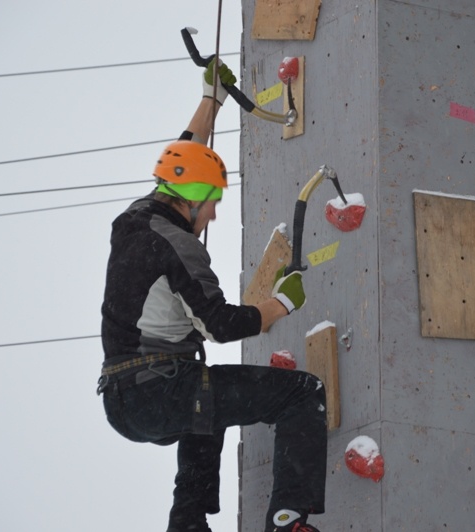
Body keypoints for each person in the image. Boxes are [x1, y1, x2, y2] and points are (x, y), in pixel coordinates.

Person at [98, 60, 327, 532]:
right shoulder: (180, 248)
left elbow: (186, 153)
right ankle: (288, 520)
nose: (213, 218)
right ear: (195, 198)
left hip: (123, 401)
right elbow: (220, 326)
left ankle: (188, 522)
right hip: (159, 389)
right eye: (214, 205)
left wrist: (212, 98)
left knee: (208, 406)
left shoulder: (137, 215)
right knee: (303, 394)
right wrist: (281, 303)